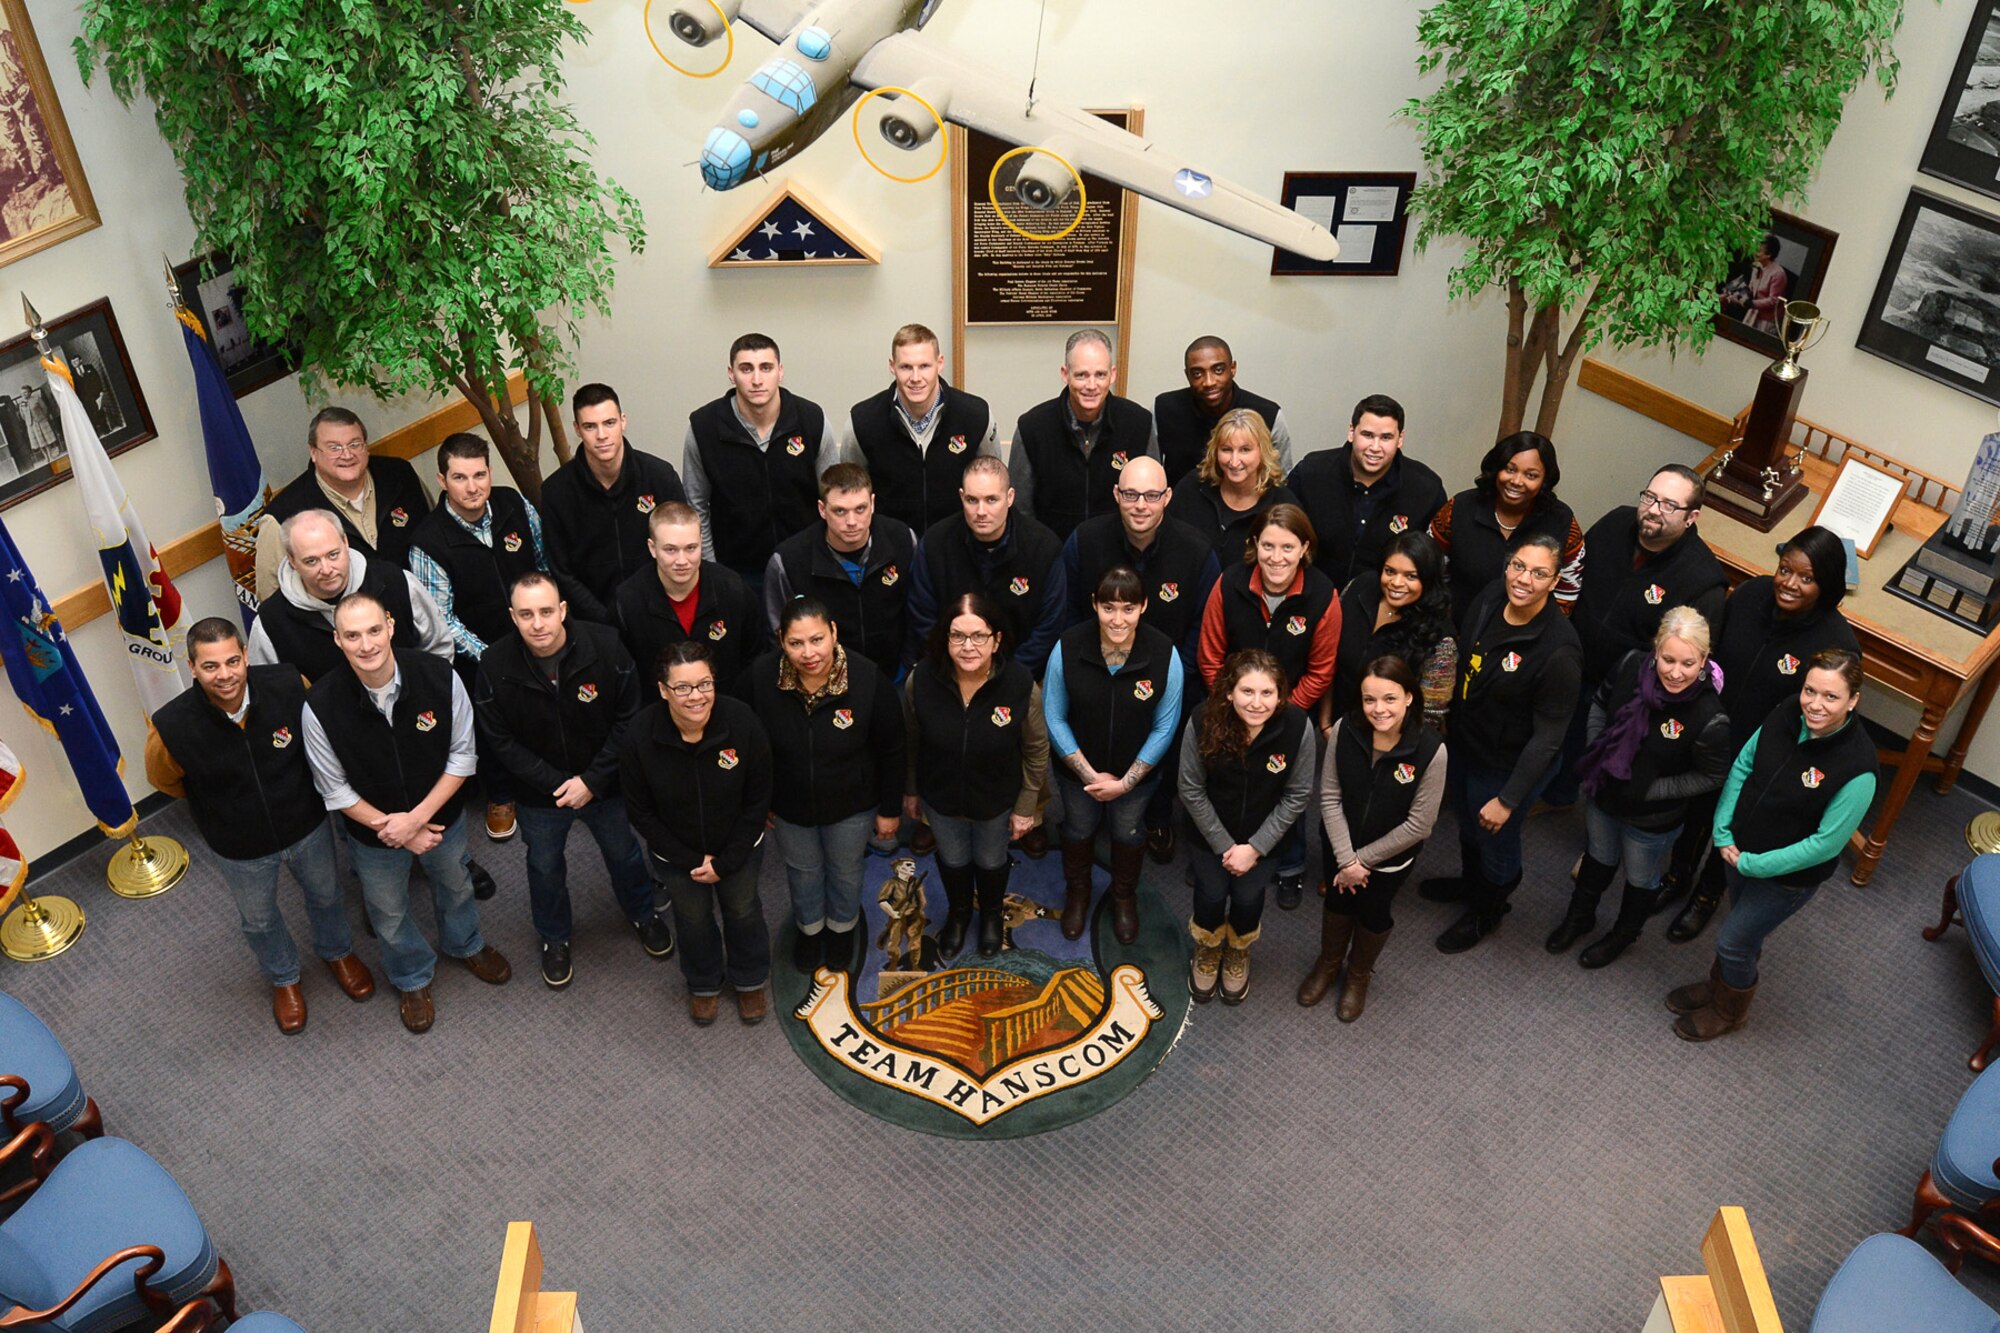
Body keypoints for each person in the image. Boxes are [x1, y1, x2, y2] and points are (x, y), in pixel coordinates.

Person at [144, 617, 375, 1034]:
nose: (226, 674)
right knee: (260, 920)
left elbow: (318, 742)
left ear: (246, 656)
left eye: (233, 661)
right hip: (239, 846)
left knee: (326, 895)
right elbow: (166, 780)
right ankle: (284, 978)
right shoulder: (169, 727)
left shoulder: (288, 684)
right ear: (193, 667)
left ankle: (337, 952)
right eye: (211, 666)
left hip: (305, 824)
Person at [301, 594, 512, 1033]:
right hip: (373, 836)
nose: (366, 645)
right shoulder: (319, 705)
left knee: (455, 886)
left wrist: (416, 820)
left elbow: (462, 757)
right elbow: (334, 790)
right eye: (353, 636)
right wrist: (395, 829)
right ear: (337, 640)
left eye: (374, 630)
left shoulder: (438, 676)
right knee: (388, 913)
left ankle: (466, 944)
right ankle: (411, 976)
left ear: (391, 626)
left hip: (440, 821)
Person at [1665, 649, 1878, 1041]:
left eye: (1831, 697)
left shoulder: (1859, 769)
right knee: (1745, 936)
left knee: (1732, 942)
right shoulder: (1785, 711)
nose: (1815, 704)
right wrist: (1723, 830)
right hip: (1738, 852)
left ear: (1853, 700)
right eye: (1810, 690)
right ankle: (1718, 987)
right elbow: (1745, 764)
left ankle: (1730, 1012)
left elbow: (1825, 844)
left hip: (1785, 880)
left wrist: (1752, 864)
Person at [474, 573, 672, 990]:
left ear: (563, 610)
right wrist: (558, 784)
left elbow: (629, 718)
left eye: (547, 611)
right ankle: (554, 938)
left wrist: (592, 780)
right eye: (526, 614)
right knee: (544, 868)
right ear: (513, 617)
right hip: (540, 795)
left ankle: (642, 912)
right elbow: (499, 741)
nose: (538, 624)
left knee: (624, 854)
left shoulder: (606, 646)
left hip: (605, 785)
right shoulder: (493, 665)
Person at [1663, 525, 1860, 944]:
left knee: (1732, 826)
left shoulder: (1835, 642)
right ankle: (1677, 874)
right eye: (1785, 569)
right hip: (1710, 734)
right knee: (1694, 811)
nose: (1789, 583)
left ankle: (1706, 894)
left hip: (1761, 757)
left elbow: (1822, 712)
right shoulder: (1751, 595)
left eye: (1806, 578)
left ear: (1826, 585)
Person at [1545, 607, 1730, 969]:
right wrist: (1598, 751)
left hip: (1651, 819)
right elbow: (1600, 702)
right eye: (1668, 659)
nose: (1676, 673)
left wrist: (1649, 790)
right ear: (1655, 650)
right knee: (1598, 857)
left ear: (1704, 660)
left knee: (1640, 877)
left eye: (1689, 663)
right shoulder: (1631, 664)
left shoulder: (1710, 718)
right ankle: (1580, 916)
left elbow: (1711, 776)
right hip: (1603, 794)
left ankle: (1624, 934)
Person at [1427, 532, 1583, 953]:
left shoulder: (1559, 651)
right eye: (1518, 566)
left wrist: (1510, 799)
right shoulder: (1493, 597)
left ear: (1554, 582)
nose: (1523, 579)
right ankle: (1470, 885)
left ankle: (1488, 911)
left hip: (1506, 768)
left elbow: (1550, 737)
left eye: (1538, 573)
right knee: (1465, 823)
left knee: (1496, 841)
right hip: (1466, 745)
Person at [1060, 454, 1220, 861]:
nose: (1140, 505)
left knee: (1162, 740)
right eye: (1130, 494)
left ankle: (1159, 816)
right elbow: (1070, 614)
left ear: (1167, 497)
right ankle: (1092, 809)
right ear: (1116, 494)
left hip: (1169, 678)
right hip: (1096, 670)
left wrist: (1172, 680)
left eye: (1151, 495)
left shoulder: (1197, 551)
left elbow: (1204, 626)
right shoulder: (1085, 540)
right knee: (1093, 738)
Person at [1548, 464, 1729, 806]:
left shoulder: (1703, 580)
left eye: (1669, 505)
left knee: (1584, 749)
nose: (1653, 510)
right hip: (1570, 658)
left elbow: (1690, 653)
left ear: (1692, 517)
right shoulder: (1616, 522)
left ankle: (1561, 798)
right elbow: (1574, 575)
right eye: (1650, 497)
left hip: (1624, 688)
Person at [406, 432, 551, 841]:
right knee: (489, 729)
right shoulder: (427, 542)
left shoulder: (513, 505)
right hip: (478, 658)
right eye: (460, 477)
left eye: (480, 475)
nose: (473, 487)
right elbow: (442, 619)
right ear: (441, 479)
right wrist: (493, 656)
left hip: (538, 633)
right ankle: (501, 796)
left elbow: (542, 564)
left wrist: (544, 625)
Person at [622, 642, 775, 1026]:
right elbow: (640, 812)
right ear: (663, 690)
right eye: (683, 687)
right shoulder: (640, 735)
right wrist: (692, 860)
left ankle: (749, 979)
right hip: (676, 856)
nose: (696, 697)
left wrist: (727, 861)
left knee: (743, 911)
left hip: (738, 848)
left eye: (704, 684)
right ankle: (703, 983)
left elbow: (758, 801)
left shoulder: (742, 721)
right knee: (692, 919)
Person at [1196, 503, 1340, 906]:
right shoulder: (1228, 584)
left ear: (1304, 548)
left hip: (1289, 714)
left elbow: (1322, 668)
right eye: (1268, 546)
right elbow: (1210, 656)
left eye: (1288, 548)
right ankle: (1214, 855)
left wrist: (1281, 714)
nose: (1277, 557)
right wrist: (1233, 707)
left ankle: (1289, 866)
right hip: (1229, 709)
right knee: (1223, 784)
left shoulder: (1323, 595)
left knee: (1285, 791)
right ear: (1254, 544)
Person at [750, 597, 905, 974]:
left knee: (845, 870)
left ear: (834, 632)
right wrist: (758, 803)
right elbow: (748, 747)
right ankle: (810, 930)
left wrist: (889, 810)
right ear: (781, 641)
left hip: (853, 806)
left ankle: (841, 929)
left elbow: (893, 748)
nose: (809, 653)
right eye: (796, 643)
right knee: (802, 872)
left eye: (817, 639)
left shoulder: (867, 678)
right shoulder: (758, 679)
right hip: (789, 807)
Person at [1298, 655, 1446, 1021]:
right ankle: (1329, 964)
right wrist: (1347, 860)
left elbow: (1419, 825)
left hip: (1391, 861)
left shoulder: (1431, 751)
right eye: (1369, 699)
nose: (1378, 709)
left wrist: (1361, 862)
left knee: (1374, 913)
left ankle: (1358, 975)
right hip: (1339, 846)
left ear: (1410, 697)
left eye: (1390, 698)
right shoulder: (1346, 729)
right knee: (1336, 903)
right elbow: (1330, 796)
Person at [1044, 567, 1185, 944]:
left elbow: (1165, 727)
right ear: (1095, 605)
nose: (1117, 619)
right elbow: (1054, 717)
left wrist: (1126, 783)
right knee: (1078, 828)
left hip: (1135, 779)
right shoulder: (1068, 647)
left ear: (1144, 606)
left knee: (1127, 832)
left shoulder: (1165, 654)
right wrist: (1089, 775)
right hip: (1077, 777)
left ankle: (1124, 897)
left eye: (1128, 609)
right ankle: (1079, 891)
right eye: (1108, 608)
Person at [903, 593, 1049, 958]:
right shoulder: (921, 680)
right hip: (941, 799)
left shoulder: (1019, 684)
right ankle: (958, 913)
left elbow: (1036, 749)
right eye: (958, 636)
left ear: (997, 640)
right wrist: (910, 791)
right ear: (945, 638)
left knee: (990, 862)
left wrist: (1026, 805)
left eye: (979, 636)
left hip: (997, 801)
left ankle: (992, 915)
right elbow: (908, 743)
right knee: (952, 861)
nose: (968, 647)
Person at [1178, 649, 1315, 1005]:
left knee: (1248, 897)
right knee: (1209, 893)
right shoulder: (1202, 720)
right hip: (1208, 836)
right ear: (1229, 691)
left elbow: (1298, 795)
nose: (1257, 703)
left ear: (1281, 694)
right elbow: (1190, 788)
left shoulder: (1299, 728)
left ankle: (1238, 950)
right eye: (1247, 692)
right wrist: (1225, 846)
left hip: (1265, 842)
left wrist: (1254, 848)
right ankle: (1207, 947)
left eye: (1267, 693)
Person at [682, 333, 854, 582]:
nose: (756, 380)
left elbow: (835, 498)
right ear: (731, 374)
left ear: (780, 371)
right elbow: (696, 507)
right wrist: (712, 572)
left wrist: (831, 558)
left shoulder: (812, 419)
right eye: (746, 369)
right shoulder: (703, 428)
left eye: (766, 367)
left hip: (806, 564)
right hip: (735, 571)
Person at [538, 383, 689, 625]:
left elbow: (682, 547)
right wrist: (606, 620)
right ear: (577, 429)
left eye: (609, 423)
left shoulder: (659, 476)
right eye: (590, 426)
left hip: (660, 613)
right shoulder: (557, 492)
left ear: (623, 422)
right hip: (593, 624)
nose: (601, 435)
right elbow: (561, 573)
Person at [905, 455, 1067, 678]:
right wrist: (959, 671)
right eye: (972, 500)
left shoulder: (1043, 547)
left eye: (991, 500)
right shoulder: (935, 544)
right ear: (961, 497)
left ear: (1010, 497)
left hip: (1021, 677)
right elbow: (923, 619)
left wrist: (1005, 678)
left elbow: (1048, 628)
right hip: (948, 674)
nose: (981, 511)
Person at [249, 510, 453, 684]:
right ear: (292, 561)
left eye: (333, 555)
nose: (326, 569)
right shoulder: (270, 624)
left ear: (345, 542)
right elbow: (270, 695)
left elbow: (439, 648)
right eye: (311, 561)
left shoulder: (397, 582)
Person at [254, 407, 431, 600]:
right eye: (334, 448)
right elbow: (272, 601)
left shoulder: (400, 475)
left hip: (422, 610)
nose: (347, 455)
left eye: (355, 444)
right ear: (313, 453)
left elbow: (435, 535)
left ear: (366, 447)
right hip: (341, 626)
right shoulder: (283, 516)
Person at [838, 323, 998, 534]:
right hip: (890, 550)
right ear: (892, 366)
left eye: (924, 366)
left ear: (940, 364)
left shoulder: (976, 416)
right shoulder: (862, 421)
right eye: (906, 367)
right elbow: (849, 493)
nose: (915, 378)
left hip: (958, 547)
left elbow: (993, 484)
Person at [764, 462, 915, 681]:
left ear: (872, 504)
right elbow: (778, 635)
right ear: (822, 510)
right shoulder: (788, 561)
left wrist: (909, 665)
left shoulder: (903, 540)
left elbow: (918, 612)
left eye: (860, 509)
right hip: (823, 683)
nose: (851, 522)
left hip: (895, 675)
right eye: (840, 511)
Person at [1008, 329, 1160, 541]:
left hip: (1120, 555)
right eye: (1081, 375)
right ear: (1065, 374)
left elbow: (1153, 497)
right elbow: (1020, 510)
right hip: (1053, 553)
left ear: (1113, 374)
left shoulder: (1139, 423)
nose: (1091, 385)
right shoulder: (1032, 427)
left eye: (1100, 375)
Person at [1286, 394, 1446, 591]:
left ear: (1400, 439)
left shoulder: (1426, 489)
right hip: (1311, 600)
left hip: (1385, 608)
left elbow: (1434, 565)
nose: (1375, 447)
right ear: (1352, 432)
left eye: (1386, 437)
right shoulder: (1311, 474)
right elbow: (1280, 533)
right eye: (1368, 435)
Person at [1429, 431, 1584, 625]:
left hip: (1523, 643)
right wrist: (1443, 628)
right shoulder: (1459, 507)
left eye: (1531, 475)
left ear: (1544, 481)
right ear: (1496, 470)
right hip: (1454, 632)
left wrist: (1538, 636)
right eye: (1509, 469)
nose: (1517, 481)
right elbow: (1430, 571)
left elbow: (1568, 592)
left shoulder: (1563, 522)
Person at [614, 502, 766, 695]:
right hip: (658, 713)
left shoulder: (732, 589)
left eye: (691, 548)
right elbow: (624, 677)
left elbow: (755, 657)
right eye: (670, 550)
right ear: (652, 548)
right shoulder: (628, 602)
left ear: (701, 542)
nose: (682, 561)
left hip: (728, 708)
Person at [1329, 530, 1457, 732]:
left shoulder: (1440, 637)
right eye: (1390, 571)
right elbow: (1328, 659)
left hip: (1389, 744)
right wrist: (1326, 724)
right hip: (1334, 727)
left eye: (1411, 576)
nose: (1396, 583)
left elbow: (1430, 715)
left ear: (1429, 579)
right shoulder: (1359, 588)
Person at [1164, 407, 1300, 566]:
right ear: (1215, 451)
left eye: (1245, 450)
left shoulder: (1282, 503)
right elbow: (1167, 541)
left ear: (1262, 452)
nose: (1234, 461)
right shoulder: (1192, 487)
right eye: (1226, 450)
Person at [1151, 336, 1293, 485]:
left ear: (1233, 369)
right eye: (1197, 373)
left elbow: (1281, 481)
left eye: (1218, 370)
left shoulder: (1268, 416)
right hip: (1179, 504)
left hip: (1251, 506)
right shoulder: (1164, 409)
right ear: (1187, 375)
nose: (1209, 382)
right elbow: (1148, 473)